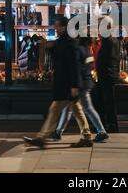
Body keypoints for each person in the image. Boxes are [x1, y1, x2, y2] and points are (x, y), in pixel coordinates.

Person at [23, 17, 93, 148]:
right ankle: (87, 136)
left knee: (54, 110)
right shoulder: (64, 41)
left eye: (57, 26)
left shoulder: (70, 43)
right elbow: (59, 56)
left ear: (64, 27)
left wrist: (74, 85)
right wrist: (50, 46)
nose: (55, 28)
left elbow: (74, 66)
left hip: (66, 85)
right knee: (77, 110)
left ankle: (42, 137)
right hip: (66, 84)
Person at [53, 37, 110, 143]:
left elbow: (78, 69)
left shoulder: (78, 49)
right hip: (86, 82)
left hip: (81, 85)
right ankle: (58, 131)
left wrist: (75, 85)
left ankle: (102, 131)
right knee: (68, 108)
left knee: (87, 108)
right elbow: (89, 66)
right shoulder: (87, 48)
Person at [96, 17, 121, 133]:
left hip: (107, 76)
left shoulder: (109, 41)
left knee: (109, 102)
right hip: (106, 75)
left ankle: (112, 125)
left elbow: (109, 60)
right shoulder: (111, 40)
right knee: (105, 101)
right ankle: (106, 123)